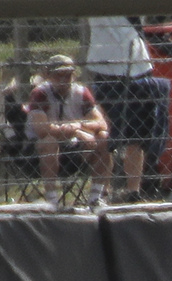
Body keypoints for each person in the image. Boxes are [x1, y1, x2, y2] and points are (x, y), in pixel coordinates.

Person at [85, 16, 172, 202]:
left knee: (136, 137)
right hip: (105, 66)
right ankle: (102, 191)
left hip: (137, 65)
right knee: (105, 133)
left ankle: (133, 191)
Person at [25, 54, 111, 209]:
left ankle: (96, 198)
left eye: (68, 75)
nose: (64, 80)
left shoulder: (81, 92)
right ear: (48, 75)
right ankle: (52, 201)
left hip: (74, 147)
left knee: (103, 138)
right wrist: (74, 131)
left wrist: (77, 126)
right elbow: (42, 130)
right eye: (59, 75)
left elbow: (101, 123)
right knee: (49, 141)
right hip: (38, 151)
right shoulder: (41, 93)